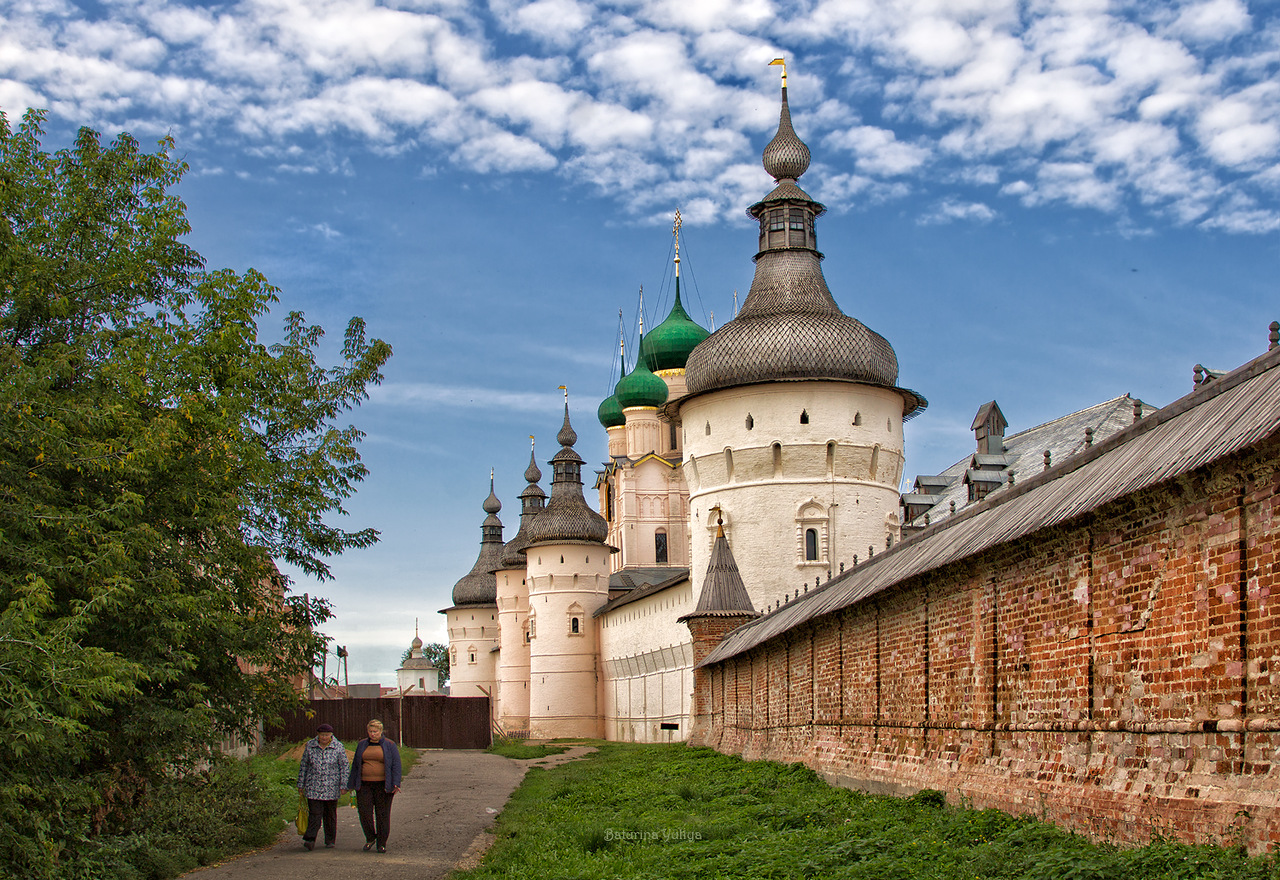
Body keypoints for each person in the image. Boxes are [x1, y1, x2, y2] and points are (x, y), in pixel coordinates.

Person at [346, 718, 402, 853]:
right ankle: (370, 837)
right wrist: (351, 784)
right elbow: (356, 765)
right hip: (364, 784)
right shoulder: (362, 745)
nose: (373, 734)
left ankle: (381, 843)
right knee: (364, 812)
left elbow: (396, 765)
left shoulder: (389, 745)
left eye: (375, 731)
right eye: (370, 731)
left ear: (381, 732)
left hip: (383, 785)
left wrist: (396, 783)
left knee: (382, 814)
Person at [296, 723, 348, 851]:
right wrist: (301, 784)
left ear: (331, 735)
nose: (324, 738)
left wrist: (344, 785)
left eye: (326, 735)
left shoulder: (338, 747)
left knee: (330, 814)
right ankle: (310, 839)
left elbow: (344, 767)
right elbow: (304, 766)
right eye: (322, 735)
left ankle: (330, 840)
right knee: (315, 813)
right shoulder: (310, 746)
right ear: (318, 735)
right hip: (313, 785)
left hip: (332, 786)